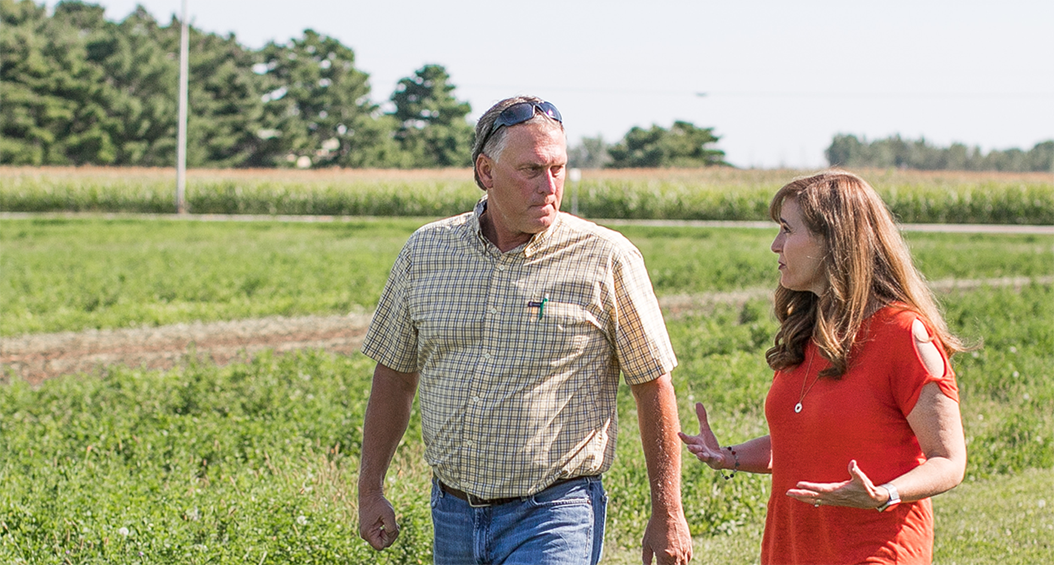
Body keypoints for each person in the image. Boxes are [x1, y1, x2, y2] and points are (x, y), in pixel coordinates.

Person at [357, 95, 692, 565]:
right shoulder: (426, 251)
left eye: (558, 169)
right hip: (451, 511)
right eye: (531, 170)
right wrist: (370, 489)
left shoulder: (605, 256)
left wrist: (668, 511)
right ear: (486, 172)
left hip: (555, 512)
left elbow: (653, 386)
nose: (549, 186)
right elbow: (393, 376)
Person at [679, 170, 968, 564]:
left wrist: (885, 494)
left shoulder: (904, 333)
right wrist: (728, 456)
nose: (775, 245)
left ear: (833, 240)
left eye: (786, 229)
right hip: (793, 549)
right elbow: (804, 445)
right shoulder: (809, 330)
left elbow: (949, 461)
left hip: (876, 550)